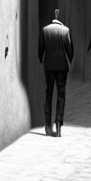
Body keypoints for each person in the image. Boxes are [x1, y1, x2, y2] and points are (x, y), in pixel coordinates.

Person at [38, 8, 73, 137]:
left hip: (49, 66)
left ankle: (48, 125)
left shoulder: (45, 30)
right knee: (61, 94)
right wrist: (70, 58)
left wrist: (41, 58)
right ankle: (58, 124)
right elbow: (69, 49)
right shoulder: (65, 30)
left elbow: (41, 48)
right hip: (62, 66)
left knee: (49, 93)